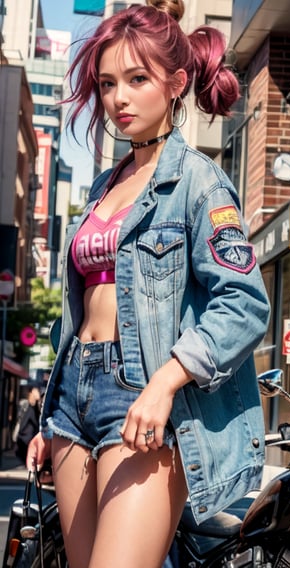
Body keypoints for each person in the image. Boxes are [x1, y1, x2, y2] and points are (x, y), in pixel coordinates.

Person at [27, 1, 270, 567]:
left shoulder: (199, 183)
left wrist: (164, 383)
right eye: (108, 82)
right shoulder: (102, 189)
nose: (119, 98)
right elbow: (80, 308)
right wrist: (48, 416)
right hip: (71, 404)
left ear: (176, 82)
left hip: (141, 399)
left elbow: (243, 304)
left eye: (137, 79)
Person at [15, 385, 41, 464]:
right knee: (20, 454)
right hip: (23, 437)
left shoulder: (35, 408)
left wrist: (38, 399)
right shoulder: (26, 405)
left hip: (29, 438)